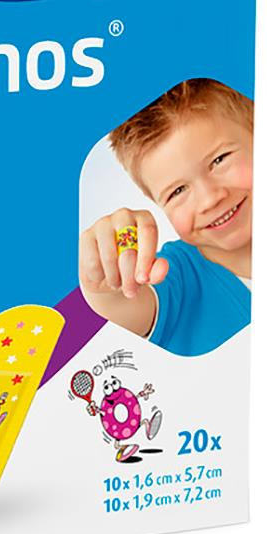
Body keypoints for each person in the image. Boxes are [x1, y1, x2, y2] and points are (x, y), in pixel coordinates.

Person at [79, 78, 253, 355]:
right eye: (178, 191)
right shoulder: (173, 277)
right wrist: (103, 284)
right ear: (156, 202)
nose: (210, 199)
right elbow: (124, 308)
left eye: (219, 160)